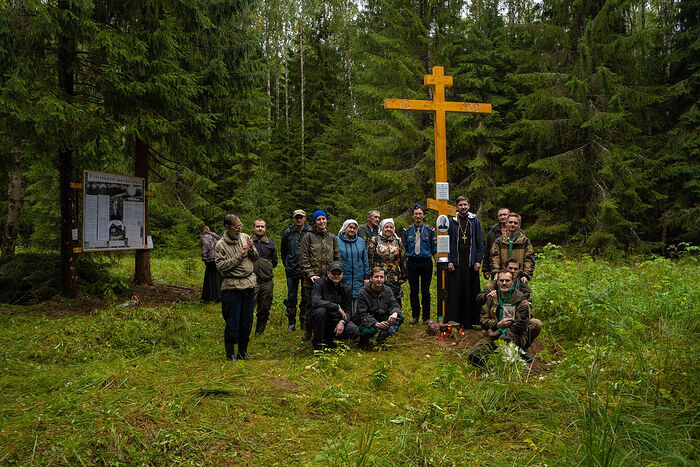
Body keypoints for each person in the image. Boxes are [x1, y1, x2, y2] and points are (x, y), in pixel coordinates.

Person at [468, 269, 538, 365]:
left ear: (512, 282)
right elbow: (482, 320)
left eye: (507, 281)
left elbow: (520, 326)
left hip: (514, 335)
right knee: (474, 356)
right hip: (493, 332)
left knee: (504, 343)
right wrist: (497, 325)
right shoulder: (491, 297)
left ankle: (520, 353)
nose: (504, 283)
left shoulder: (520, 299)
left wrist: (498, 332)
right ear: (497, 282)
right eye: (501, 281)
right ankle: (491, 363)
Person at [215, 214, 259, 361]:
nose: (239, 229)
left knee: (246, 320)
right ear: (227, 227)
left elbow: (255, 258)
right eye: (236, 226)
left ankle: (243, 351)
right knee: (233, 320)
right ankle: (230, 354)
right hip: (231, 287)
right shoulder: (220, 244)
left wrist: (252, 249)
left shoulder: (245, 237)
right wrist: (239, 256)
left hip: (248, 284)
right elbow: (221, 266)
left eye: (241, 225)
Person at [299, 210, 341, 340]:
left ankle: (326, 329)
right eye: (319, 219)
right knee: (310, 304)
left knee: (327, 304)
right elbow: (303, 257)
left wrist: (334, 274)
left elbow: (337, 257)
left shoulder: (332, 238)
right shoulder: (308, 237)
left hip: (327, 279)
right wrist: (310, 273)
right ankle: (308, 329)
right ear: (315, 222)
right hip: (311, 279)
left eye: (324, 219)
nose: (322, 221)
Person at [447, 196, 484, 327]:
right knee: (456, 291)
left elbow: (479, 242)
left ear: (469, 205)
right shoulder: (451, 222)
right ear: (457, 207)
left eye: (465, 205)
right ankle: (455, 320)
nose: (463, 207)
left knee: (470, 291)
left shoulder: (475, 221)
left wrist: (478, 260)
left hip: (470, 262)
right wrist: (449, 260)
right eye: (460, 205)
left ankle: (470, 321)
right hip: (456, 262)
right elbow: (447, 242)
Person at [309, 261, 359, 350]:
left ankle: (330, 340)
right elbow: (315, 302)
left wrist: (342, 322)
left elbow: (348, 311)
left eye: (339, 273)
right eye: (333, 273)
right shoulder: (319, 283)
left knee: (354, 331)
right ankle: (318, 343)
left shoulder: (346, 288)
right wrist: (336, 306)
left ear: (342, 274)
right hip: (320, 319)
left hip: (335, 320)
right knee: (320, 311)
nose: (336, 276)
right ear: (328, 273)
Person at [402, 203, 436, 324]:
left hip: (426, 262)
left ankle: (426, 317)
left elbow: (434, 250)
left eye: (420, 214)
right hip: (412, 263)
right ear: (412, 216)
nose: (418, 216)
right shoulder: (407, 231)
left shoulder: (430, 230)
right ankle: (415, 316)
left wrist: (436, 264)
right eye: (416, 214)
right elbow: (404, 249)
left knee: (425, 290)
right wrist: (404, 265)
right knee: (414, 290)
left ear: (424, 216)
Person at [354, 267, 404, 345]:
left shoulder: (387, 290)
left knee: (400, 317)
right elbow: (362, 314)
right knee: (368, 331)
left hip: (382, 316)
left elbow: (394, 304)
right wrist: (376, 323)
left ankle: (382, 337)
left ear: (384, 278)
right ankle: (363, 340)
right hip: (367, 319)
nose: (379, 279)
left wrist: (395, 313)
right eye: (376, 277)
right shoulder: (362, 293)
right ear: (371, 278)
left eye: (381, 277)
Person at [281, 209, 312, 332]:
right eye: (296, 217)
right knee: (291, 296)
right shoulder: (288, 233)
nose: (299, 220)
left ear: (305, 218)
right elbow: (283, 252)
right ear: (293, 219)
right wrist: (287, 264)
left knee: (305, 297)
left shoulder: (310, 231)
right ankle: (291, 323)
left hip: (305, 270)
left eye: (301, 217)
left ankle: (304, 322)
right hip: (291, 270)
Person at [367, 218, 407, 309]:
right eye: (386, 227)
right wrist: (369, 274)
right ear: (382, 228)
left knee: (394, 298)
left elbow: (403, 259)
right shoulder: (375, 240)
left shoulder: (398, 241)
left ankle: (395, 317)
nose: (389, 229)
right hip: (379, 274)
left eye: (391, 227)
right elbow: (370, 258)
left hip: (394, 275)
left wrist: (404, 275)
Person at [490, 212, 535, 282]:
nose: (512, 225)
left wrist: (526, 275)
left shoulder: (525, 241)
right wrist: (496, 272)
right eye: (510, 222)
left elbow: (529, 259)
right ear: (506, 224)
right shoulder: (499, 241)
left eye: (515, 223)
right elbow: (494, 258)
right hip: (502, 277)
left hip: (519, 277)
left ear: (519, 225)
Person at [337, 219, 370, 314]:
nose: (352, 230)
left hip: (358, 277)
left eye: (354, 228)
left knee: (357, 298)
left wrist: (366, 276)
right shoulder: (337, 240)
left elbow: (365, 260)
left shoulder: (360, 241)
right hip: (343, 276)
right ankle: (344, 320)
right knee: (344, 297)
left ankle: (356, 320)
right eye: (350, 227)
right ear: (344, 228)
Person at [252, 218, 277, 336]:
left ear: (265, 228)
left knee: (264, 308)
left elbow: (275, 261)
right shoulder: (248, 242)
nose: (260, 228)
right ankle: (244, 331)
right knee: (248, 306)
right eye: (258, 226)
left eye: (262, 226)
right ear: (253, 228)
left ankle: (259, 331)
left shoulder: (271, 244)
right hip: (251, 281)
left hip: (267, 281)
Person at [483, 207, 510, 280]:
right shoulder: (492, 233)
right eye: (500, 215)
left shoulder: (517, 231)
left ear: (509, 216)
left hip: (513, 268)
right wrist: (486, 268)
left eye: (505, 214)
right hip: (496, 268)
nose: (502, 217)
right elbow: (487, 250)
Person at [200, 225, 222, 303]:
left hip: (210, 259)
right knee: (217, 277)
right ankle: (218, 296)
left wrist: (204, 257)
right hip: (218, 258)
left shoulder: (205, 237)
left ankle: (207, 297)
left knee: (209, 277)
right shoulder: (216, 236)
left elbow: (205, 246)